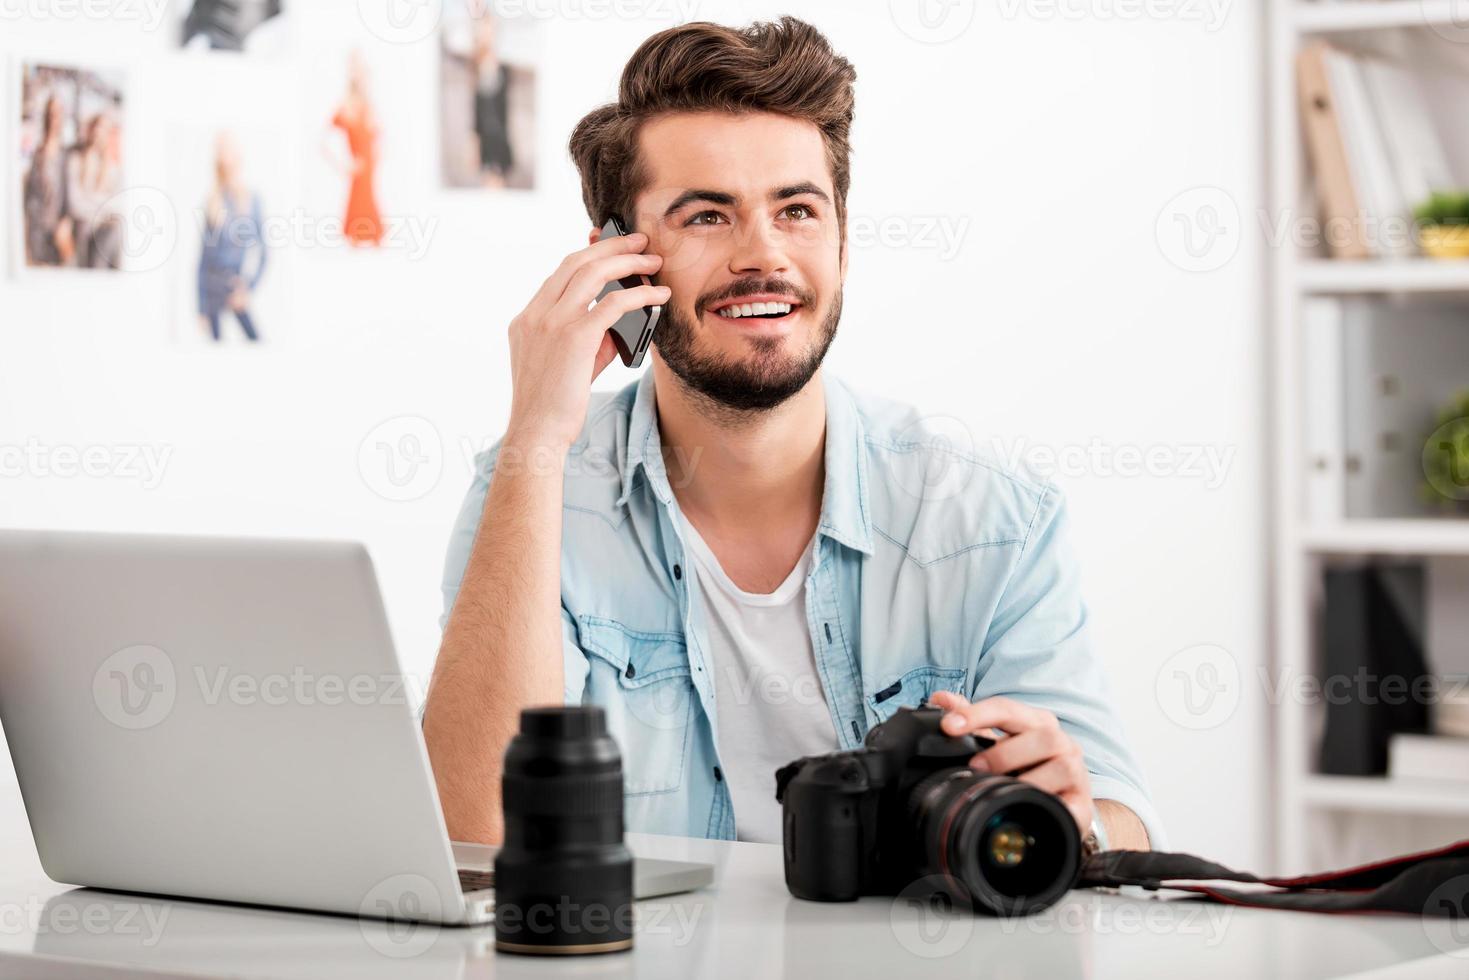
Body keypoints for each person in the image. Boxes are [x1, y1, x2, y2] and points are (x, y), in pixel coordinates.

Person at [423, 18, 1162, 851]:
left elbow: (1121, 821)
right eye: (707, 216)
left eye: (798, 210)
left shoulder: (991, 519)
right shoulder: (533, 488)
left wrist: (1080, 822)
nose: (762, 254)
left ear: (841, 243)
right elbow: (474, 840)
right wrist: (534, 435)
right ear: (618, 261)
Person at [197, 132, 267, 342]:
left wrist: (248, 287)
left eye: (228, 149)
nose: (225, 156)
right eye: (221, 151)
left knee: (256, 342)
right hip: (212, 290)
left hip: (235, 285)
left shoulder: (252, 200)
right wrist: (200, 309)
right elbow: (203, 261)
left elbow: (264, 254)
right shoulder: (213, 201)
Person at [326, 50, 382, 247]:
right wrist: (343, 166)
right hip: (358, 175)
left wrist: (378, 156)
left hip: (370, 174)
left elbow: (379, 140)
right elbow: (322, 142)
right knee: (357, 232)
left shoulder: (370, 107)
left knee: (376, 236)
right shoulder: (345, 107)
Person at [23, 96, 70, 267]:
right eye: (50, 113)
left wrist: (65, 221)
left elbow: (67, 192)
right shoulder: (37, 152)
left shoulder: (66, 153)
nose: (53, 117)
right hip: (37, 225)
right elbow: (29, 192)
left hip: (58, 226)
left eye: (57, 113)